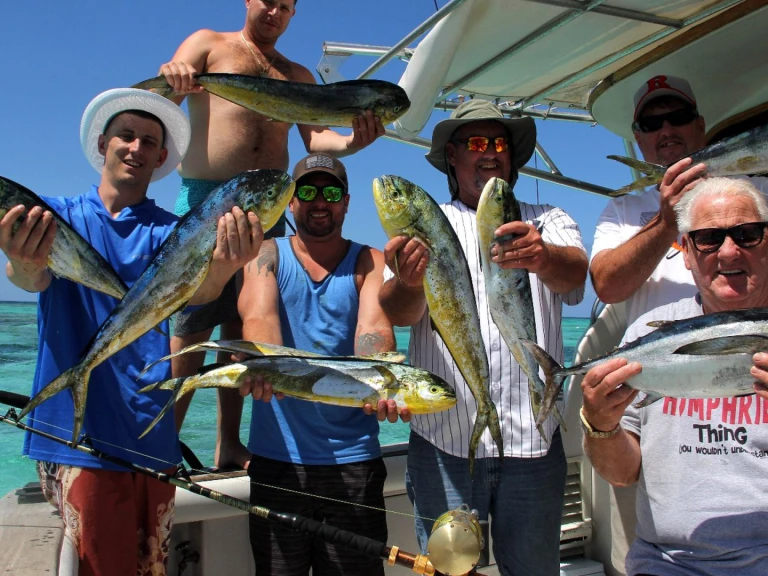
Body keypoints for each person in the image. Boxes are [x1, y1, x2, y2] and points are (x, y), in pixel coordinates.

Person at [0, 88, 261, 576]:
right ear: (103, 144)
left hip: (151, 437)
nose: (136, 148)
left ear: (161, 158)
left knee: (152, 567)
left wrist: (226, 269)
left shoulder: (173, 232)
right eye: (126, 136)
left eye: (148, 141)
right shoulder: (54, 216)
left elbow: (199, 294)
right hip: (76, 438)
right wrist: (19, 259)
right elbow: (30, 279)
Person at [156, 0, 387, 440]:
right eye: (267, 1)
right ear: (248, 1)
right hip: (209, 201)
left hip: (270, 209)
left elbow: (317, 137)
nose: (274, 11)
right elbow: (160, 102)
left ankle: (227, 444)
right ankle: (162, 445)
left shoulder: (297, 76)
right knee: (189, 329)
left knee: (243, 334)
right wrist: (173, 78)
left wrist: (354, 142)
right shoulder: (208, 44)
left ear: (293, 14)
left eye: (285, 6)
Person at [378, 99, 588, 575]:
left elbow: (576, 280)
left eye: (499, 144)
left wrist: (543, 257)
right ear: (452, 155)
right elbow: (395, 309)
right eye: (476, 143)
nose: (490, 152)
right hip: (444, 446)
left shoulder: (547, 219)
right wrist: (410, 280)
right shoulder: (429, 223)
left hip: (535, 443)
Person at [589, 74, 768, 573]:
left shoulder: (751, 187)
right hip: (663, 371)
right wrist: (600, 425)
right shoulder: (625, 210)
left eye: (748, 234)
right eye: (708, 238)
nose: (728, 251)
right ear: (686, 253)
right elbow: (604, 282)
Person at [220, 153, 402, 575]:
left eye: (331, 191)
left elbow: (373, 333)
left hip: (354, 464)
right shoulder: (265, 253)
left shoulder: (371, 261)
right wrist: (267, 369)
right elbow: (260, 317)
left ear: (347, 202)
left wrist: (385, 387)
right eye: (307, 191)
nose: (320, 201)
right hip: (277, 463)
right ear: (290, 202)